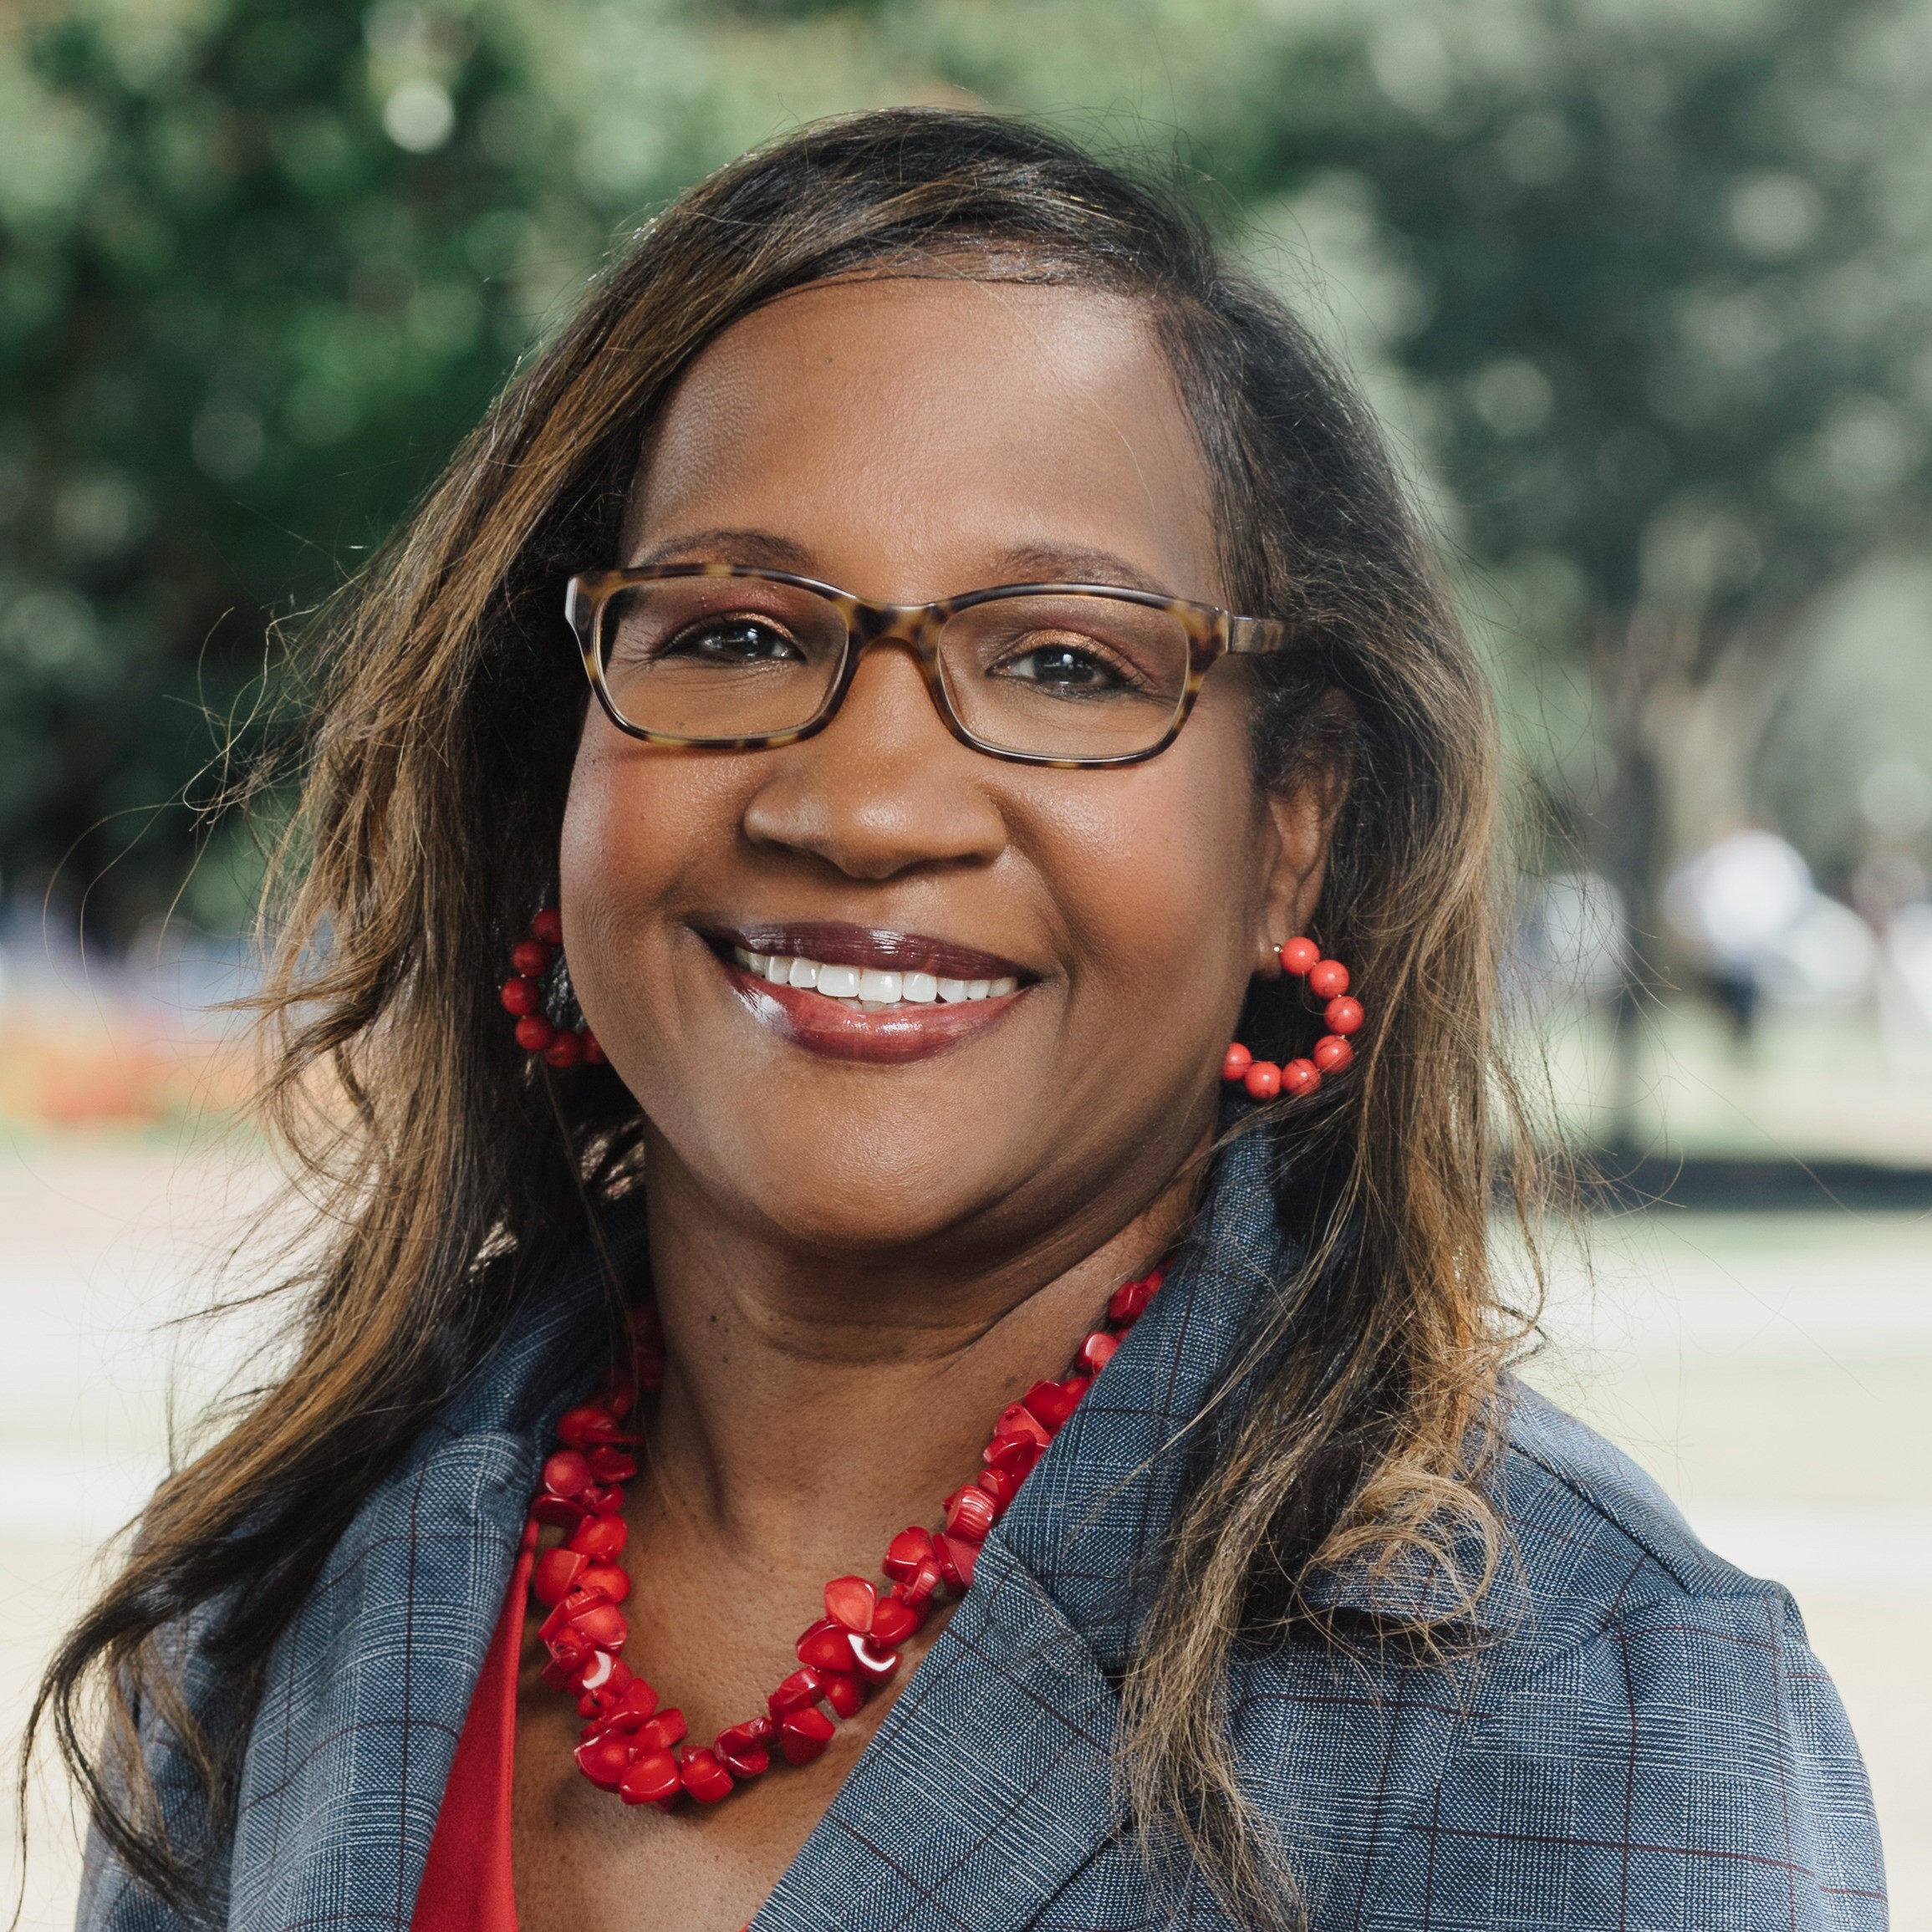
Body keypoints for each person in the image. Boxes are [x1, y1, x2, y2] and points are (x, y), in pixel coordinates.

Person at [41, 110, 1882, 1932]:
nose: (864, 803)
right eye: (736, 631)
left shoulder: (1582, 1700)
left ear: (1289, 825)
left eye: (1066, 663)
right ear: (561, 757)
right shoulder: (282, 1591)